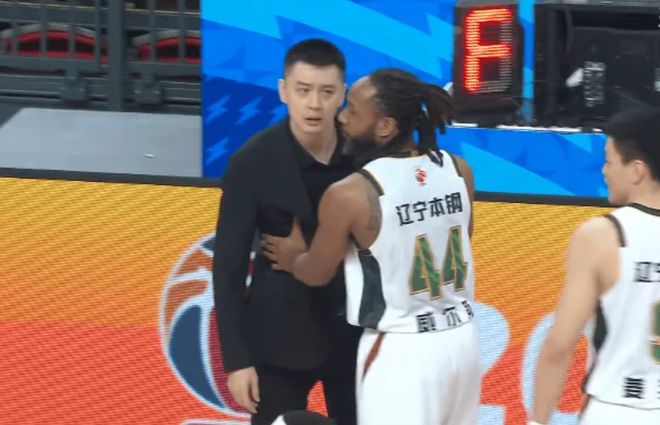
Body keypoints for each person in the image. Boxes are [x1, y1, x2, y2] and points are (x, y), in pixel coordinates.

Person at [263, 68, 481, 425]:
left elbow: (317, 273)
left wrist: (292, 258)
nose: (341, 117)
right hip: (462, 341)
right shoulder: (458, 170)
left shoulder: (352, 193)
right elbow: (460, 242)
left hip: (402, 348)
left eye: (352, 110)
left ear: (385, 126)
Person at [212, 39, 361, 425]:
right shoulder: (251, 161)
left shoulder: (364, 156)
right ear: (283, 91)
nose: (314, 104)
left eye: (326, 92)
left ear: (342, 94)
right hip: (278, 340)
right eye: (303, 90)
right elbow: (228, 266)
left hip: (355, 336)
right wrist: (237, 361)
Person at [530, 108, 660, 425]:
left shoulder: (602, 235)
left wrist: (538, 421)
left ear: (637, 170)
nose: (604, 171)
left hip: (617, 409)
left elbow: (560, 346)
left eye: (609, 161)